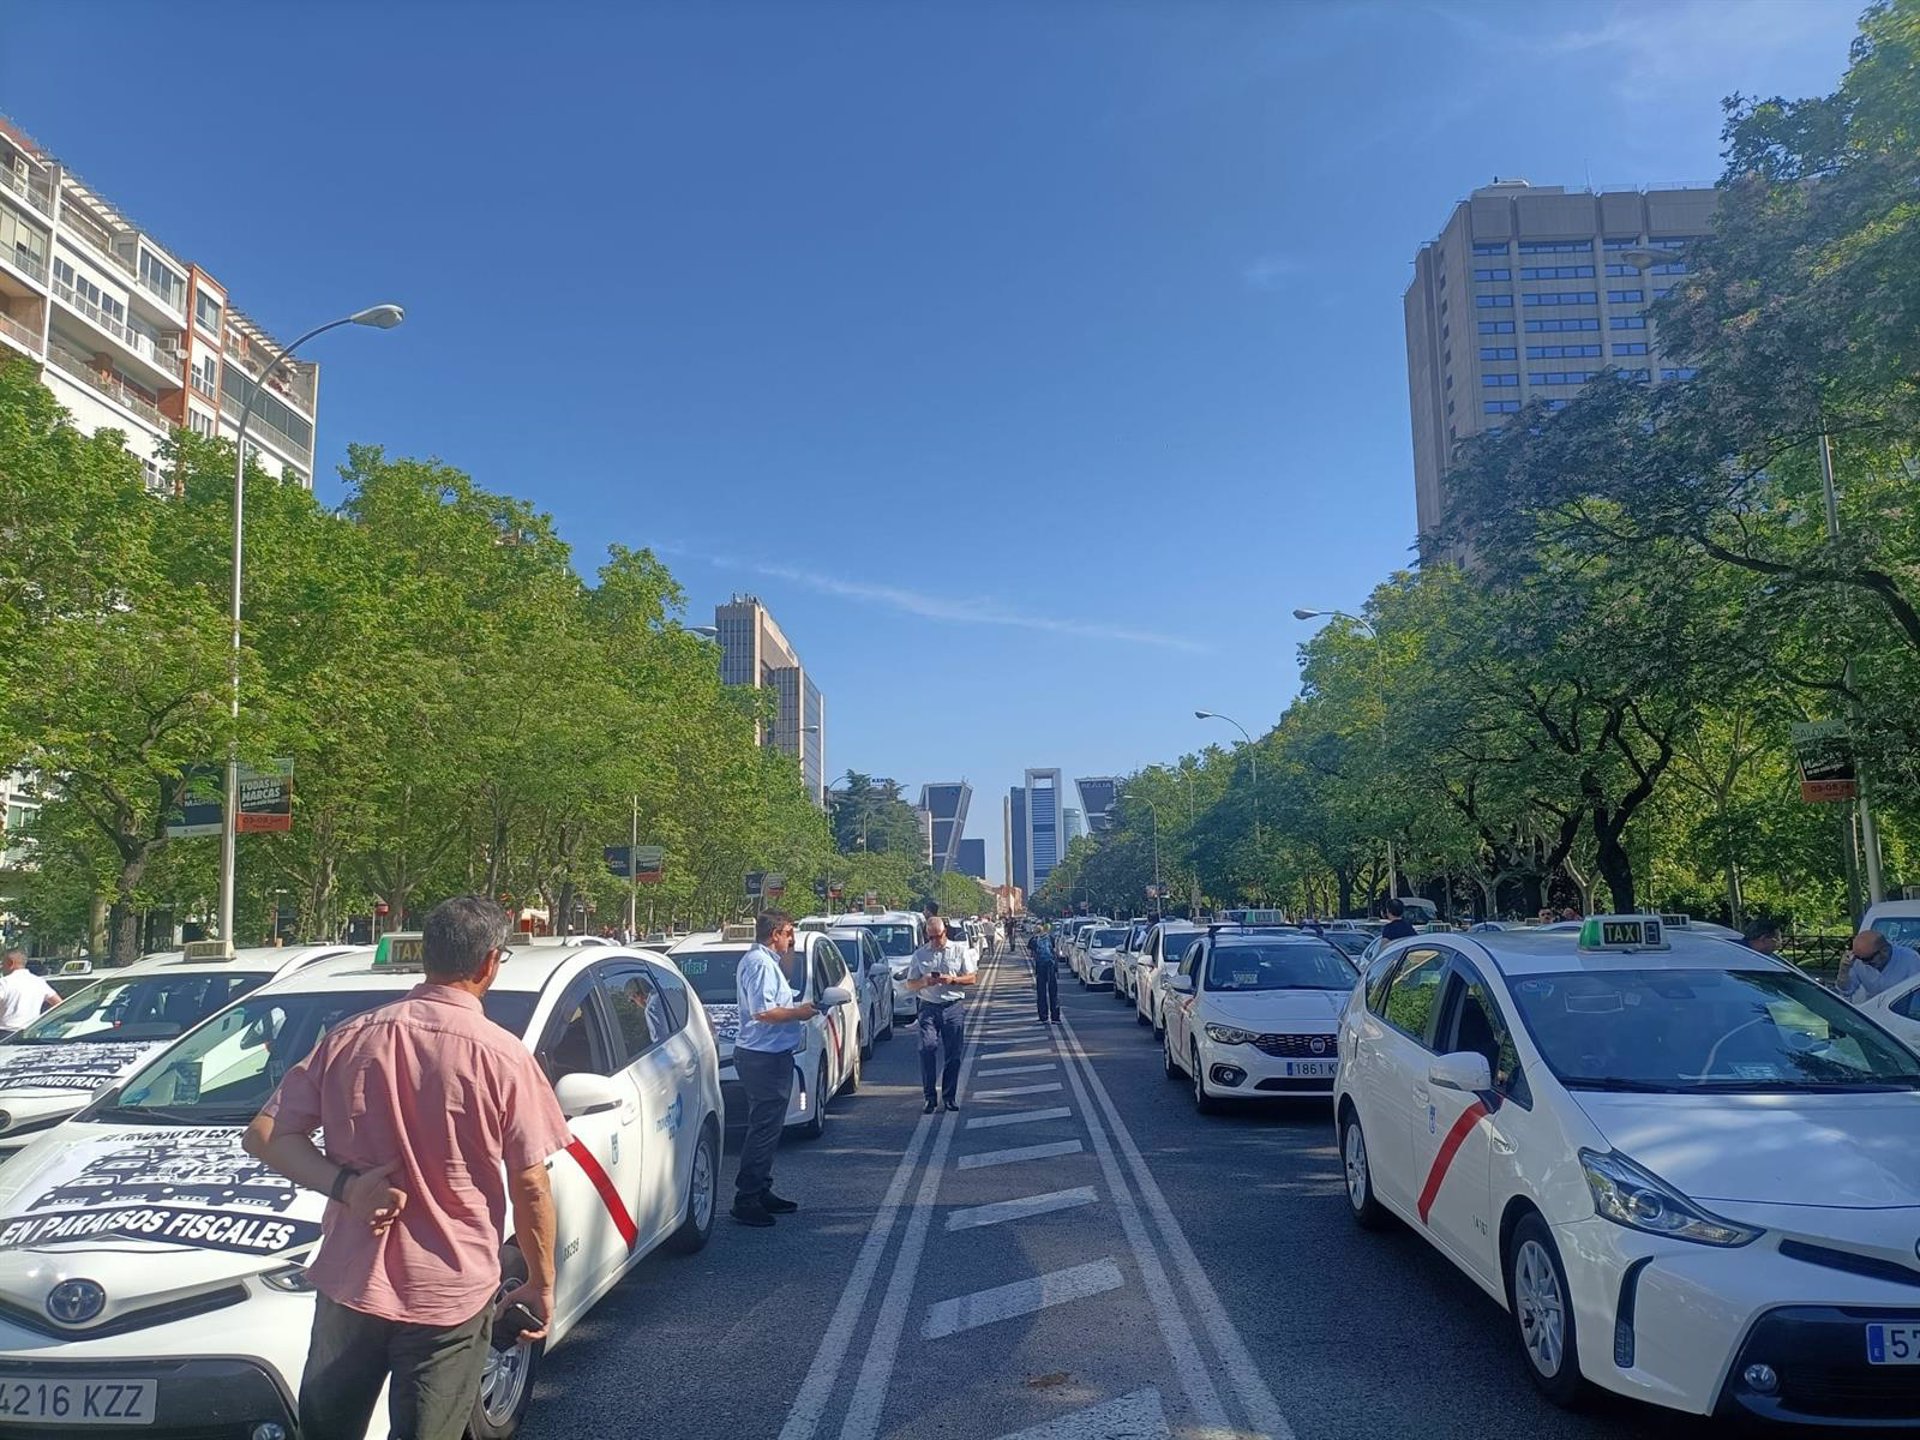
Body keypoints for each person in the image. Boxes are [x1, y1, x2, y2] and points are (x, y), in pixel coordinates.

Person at [242, 896, 570, 1440]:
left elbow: (265, 1135)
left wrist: (346, 1187)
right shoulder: (504, 1056)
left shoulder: (349, 1038)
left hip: (350, 1282)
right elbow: (530, 1184)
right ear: (490, 962)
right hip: (449, 1295)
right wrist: (541, 1282)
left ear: (426, 956)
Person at [731, 909, 816, 1227]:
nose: (792, 940)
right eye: (789, 933)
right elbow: (763, 1012)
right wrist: (799, 1013)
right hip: (762, 1057)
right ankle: (747, 1199)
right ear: (775, 933)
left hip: (768, 1055)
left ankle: (760, 1188)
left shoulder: (766, 962)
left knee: (769, 1128)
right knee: (764, 1129)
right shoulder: (760, 964)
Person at [906, 917, 976, 1112]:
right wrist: (924, 982)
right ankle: (929, 1097)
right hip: (928, 1007)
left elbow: (972, 978)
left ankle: (949, 1097)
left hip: (953, 1006)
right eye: (931, 937)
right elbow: (910, 984)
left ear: (945, 932)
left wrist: (952, 980)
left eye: (938, 936)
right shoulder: (920, 954)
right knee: (927, 1048)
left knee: (953, 1054)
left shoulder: (959, 950)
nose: (936, 941)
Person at [1840, 928, 1920, 1003]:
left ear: (1884, 951)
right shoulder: (1858, 960)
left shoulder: (1911, 959)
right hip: (1871, 1009)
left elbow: (1917, 995)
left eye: (1868, 959)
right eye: (1859, 958)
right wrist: (1843, 971)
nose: (1864, 963)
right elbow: (1846, 992)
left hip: (1900, 1008)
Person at [0, 948, 59, 1035]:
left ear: (10, 963)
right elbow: (58, 1003)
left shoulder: (4, 982)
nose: (1, 967)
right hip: (30, 1033)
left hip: (5, 1033)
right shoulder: (39, 982)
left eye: (3, 963)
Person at [1026, 923, 1061, 1025]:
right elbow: (1054, 952)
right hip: (1051, 967)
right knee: (1053, 992)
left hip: (1040, 967)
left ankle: (1043, 1017)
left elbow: (1031, 952)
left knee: (1041, 992)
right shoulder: (1050, 938)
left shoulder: (1034, 940)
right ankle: (1055, 1017)